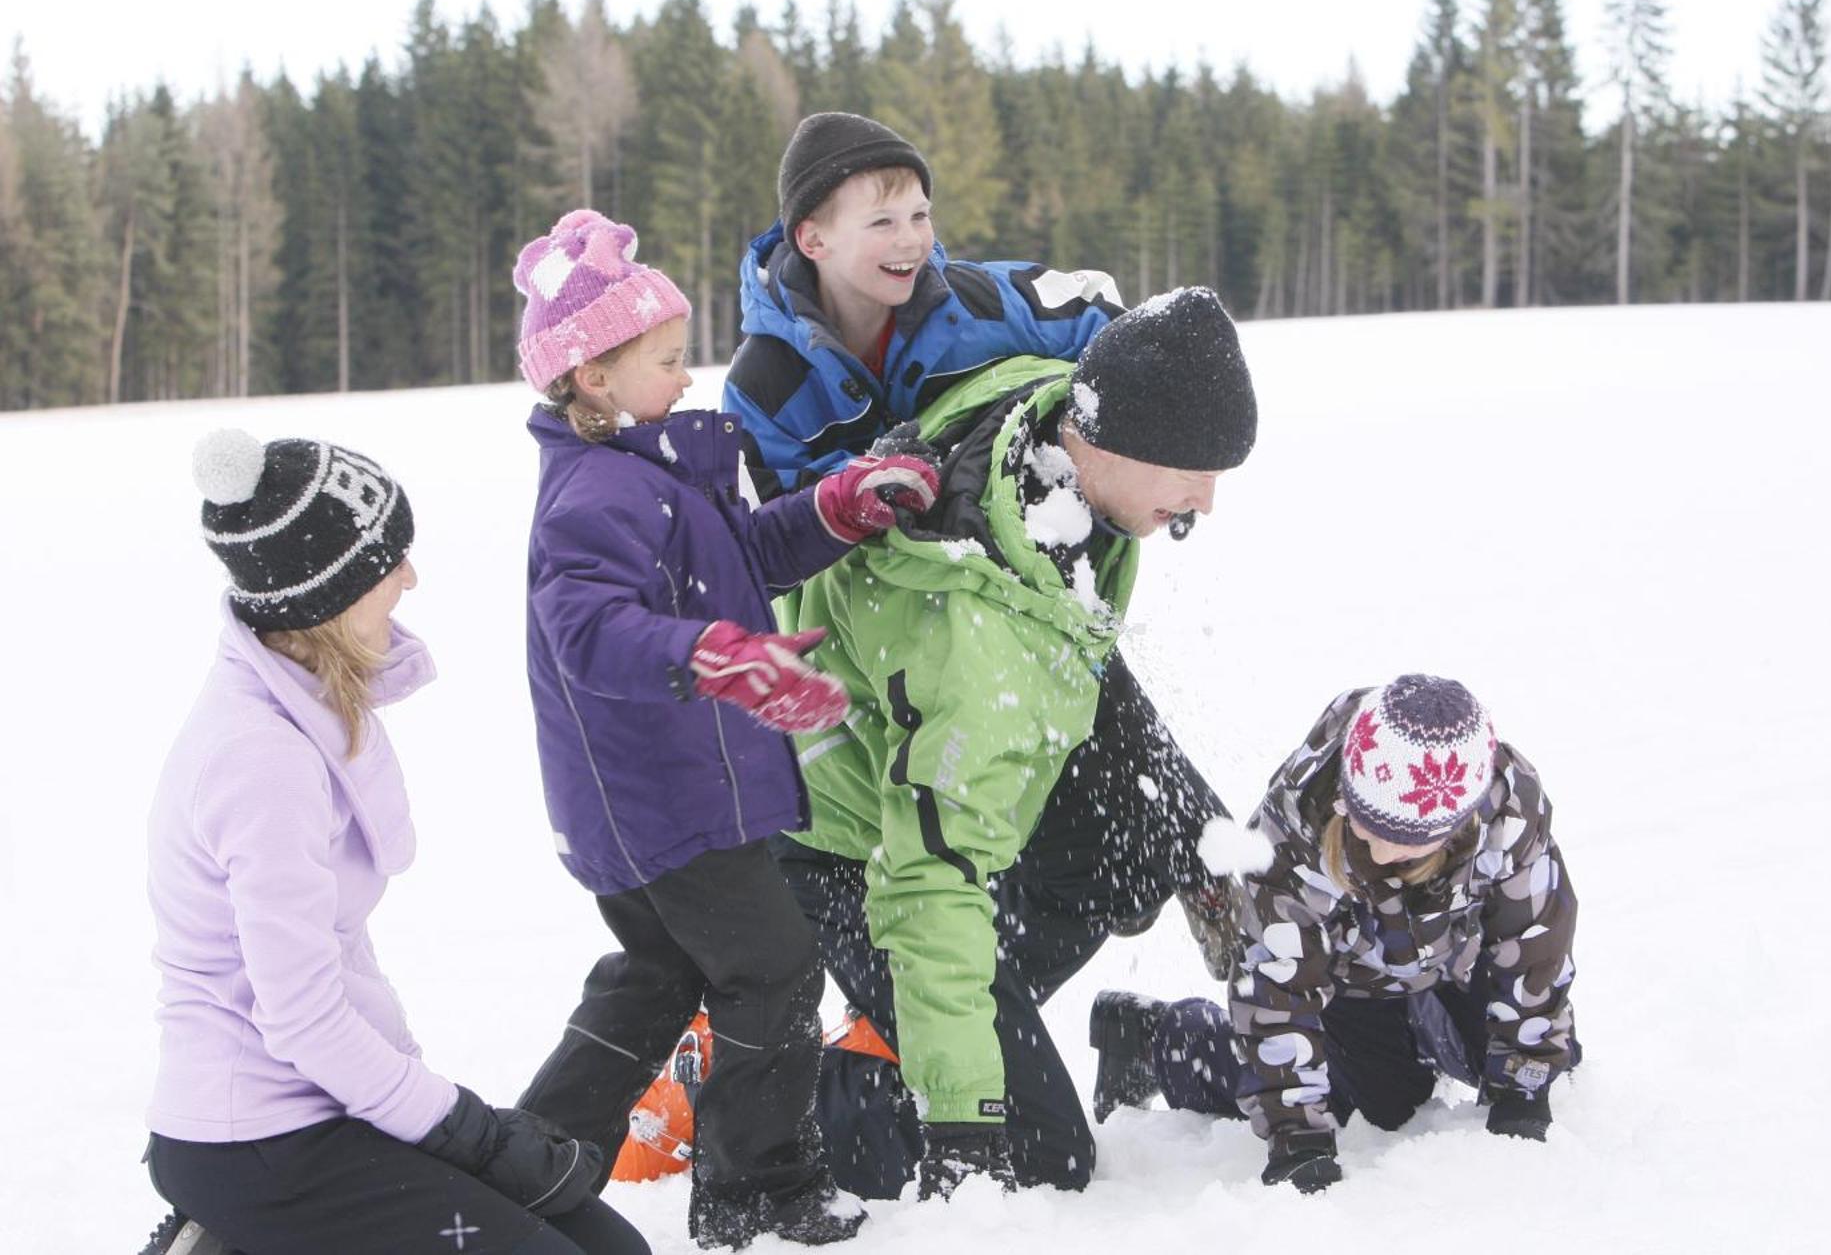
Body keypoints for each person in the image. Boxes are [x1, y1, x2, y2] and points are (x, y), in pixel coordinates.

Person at [771, 286, 1259, 1201]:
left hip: (969, 784)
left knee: (1140, 844)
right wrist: (965, 1125)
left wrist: (1207, 847)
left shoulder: (1044, 403)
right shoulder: (969, 633)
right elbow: (929, 878)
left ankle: (922, 1022)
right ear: (1116, 441)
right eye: (1194, 471)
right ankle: (773, 1085)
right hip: (846, 846)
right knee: (1044, 1160)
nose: (1206, 501)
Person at [508, 209, 936, 1249]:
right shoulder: (593, 495)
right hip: (663, 803)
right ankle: (761, 1186)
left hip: (665, 799)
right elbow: (588, 632)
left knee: (659, 977)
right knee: (774, 968)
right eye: (664, 359)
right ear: (594, 381)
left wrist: (839, 508)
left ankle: (530, 1164)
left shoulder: (648, 472)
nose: (686, 376)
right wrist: (713, 655)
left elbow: (738, 560)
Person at [140, 430, 645, 1255]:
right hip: (257, 1138)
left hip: (330, 1100)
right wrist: (467, 1130)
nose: (410, 578)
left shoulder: (304, 696)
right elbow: (301, 1017)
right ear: (325, 593)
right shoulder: (261, 760)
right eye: (387, 564)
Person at [1088, 675, 1581, 1193]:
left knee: (1548, 1066)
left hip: (1458, 952)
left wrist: (1523, 1085)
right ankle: (1158, 1038)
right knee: (1386, 1109)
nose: (1381, 852)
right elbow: (1277, 990)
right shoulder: (1294, 828)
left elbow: (1536, 944)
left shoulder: (1507, 809)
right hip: (1351, 982)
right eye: (1366, 827)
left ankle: (1438, 1030)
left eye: (1406, 844)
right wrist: (1297, 1139)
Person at [721, 109, 1120, 502]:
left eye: (919, 215)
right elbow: (764, 522)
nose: (911, 240)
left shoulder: (977, 303)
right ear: (814, 242)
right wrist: (861, 480)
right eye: (882, 222)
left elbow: (1105, 317)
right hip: (857, 560)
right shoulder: (763, 382)